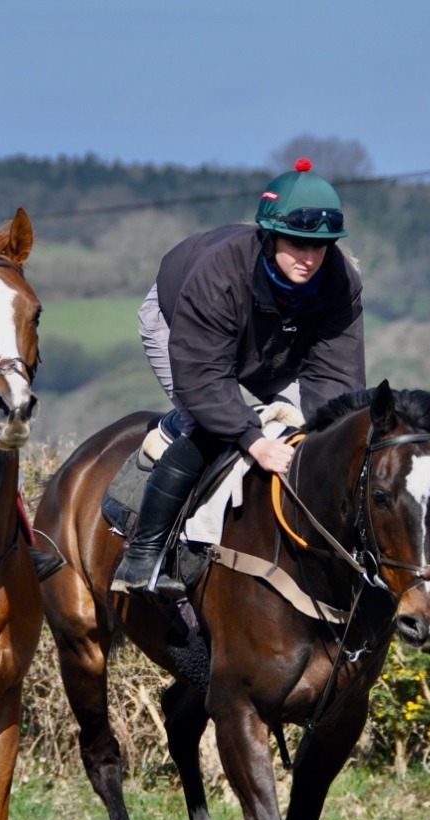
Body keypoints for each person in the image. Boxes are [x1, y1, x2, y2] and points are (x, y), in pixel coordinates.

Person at [110, 158, 367, 598]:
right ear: (269, 236)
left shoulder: (340, 280)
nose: (310, 258)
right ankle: (143, 556)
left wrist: (331, 437)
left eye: (320, 247)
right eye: (297, 243)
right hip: (181, 325)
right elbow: (205, 377)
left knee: (311, 431)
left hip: (271, 342)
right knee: (209, 428)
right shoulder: (220, 273)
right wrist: (253, 440)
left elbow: (335, 375)